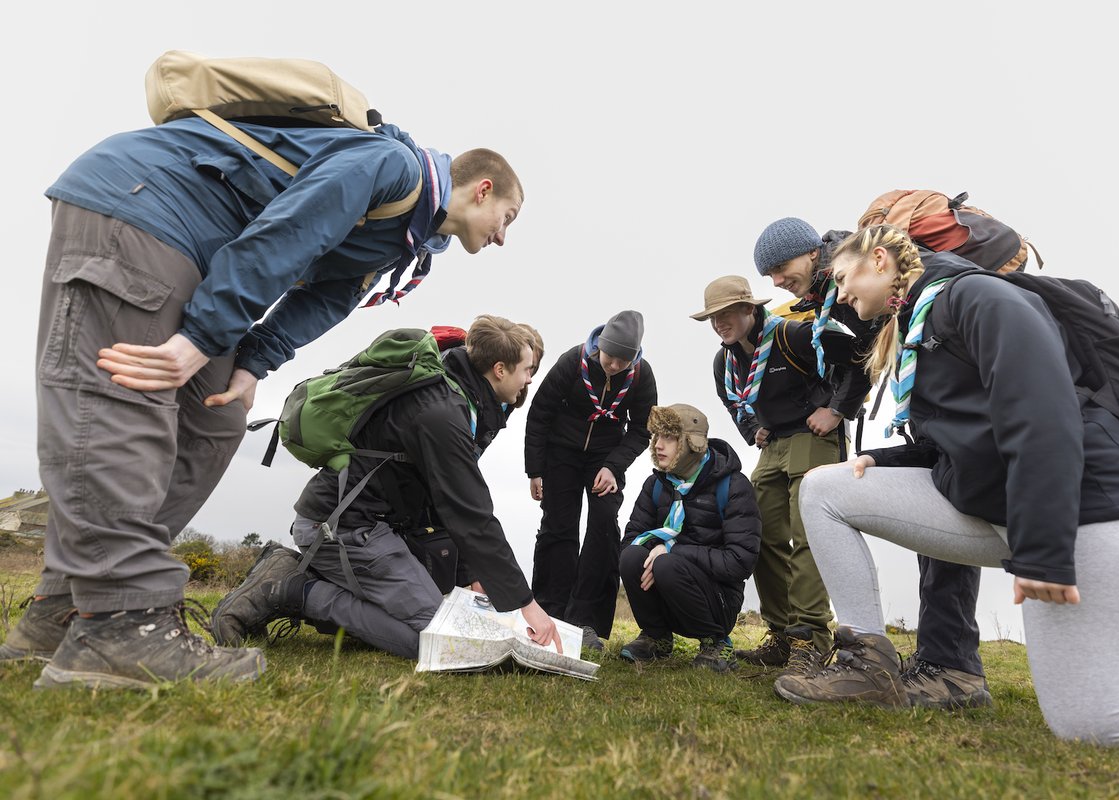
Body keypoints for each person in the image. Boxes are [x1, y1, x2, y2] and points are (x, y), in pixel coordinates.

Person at [0, 109, 523, 689]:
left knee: (215, 422)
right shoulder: (392, 167)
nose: (503, 235)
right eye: (508, 217)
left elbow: (325, 296)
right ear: (483, 189)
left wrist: (252, 361)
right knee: (134, 409)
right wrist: (203, 336)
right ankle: (119, 623)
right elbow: (289, 232)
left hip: (203, 258)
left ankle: (63, 608)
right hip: (144, 209)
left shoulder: (405, 237)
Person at [774, 225, 1119, 749]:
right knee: (825, 488)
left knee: (1100, 730)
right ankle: (868, 666)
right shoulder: (918, 321)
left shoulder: (979, 296)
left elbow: (1044, 417)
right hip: (1012, 520)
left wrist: (1041, 555)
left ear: (879, 260)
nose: (839, 293)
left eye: (841, 278)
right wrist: (884, 459)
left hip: (1101, 515)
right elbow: (971, 439)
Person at [210, 316, 561, 658]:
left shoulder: (460, 397)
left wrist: (472, 574)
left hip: (378, 525)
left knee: (437, 614)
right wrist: (526, 604)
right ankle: (295, 589)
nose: (529, 380)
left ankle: (311, 574)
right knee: (433, 637)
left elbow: (446, 498)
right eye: (527, 370)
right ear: (499, 369)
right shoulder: (442, 413)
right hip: (346, 529)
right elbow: (471, 513)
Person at [755, 216, 990, 708]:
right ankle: (945, 663)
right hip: (936, 418)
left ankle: (948, 668)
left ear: (811, 253)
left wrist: (837, 407)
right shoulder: (834, 289)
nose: (775, 281)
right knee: (939, 516)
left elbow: (864, 352)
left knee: (945, 514)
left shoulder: (853, 278)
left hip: (954, 420)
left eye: (779, 268)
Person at [692, 275, 867, 670]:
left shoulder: (793, 335)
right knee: (756, 534)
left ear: (749, 309)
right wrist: (752, 429)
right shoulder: (725, 359)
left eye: (726, 313)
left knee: (807, 535)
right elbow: (733, 401)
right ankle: (782, 635)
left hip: (814, 436)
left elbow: (859, 360)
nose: (719, 323)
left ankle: (811, 639)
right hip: (773, 447)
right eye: (712, 318)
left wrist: (836, 410)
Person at [524, 310, 658, 651]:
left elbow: (642, 429)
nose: (613, 366)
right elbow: (539, 414)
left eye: (622, 362)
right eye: (609, 358)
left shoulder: (642, 375)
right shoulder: (572, 361)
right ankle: (549, 612)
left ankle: (586, 621)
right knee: (559, 526)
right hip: (561, 453)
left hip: (606, 457)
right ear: (599, 346)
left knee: (603, 525)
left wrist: (614, 467)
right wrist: (535, 470)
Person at [618, 404, 760, 672]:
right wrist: (657, 550)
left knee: (667, 562)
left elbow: (740, 562)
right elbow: (631, 539)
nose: (658, 445)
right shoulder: (656, 485)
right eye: (656, 437)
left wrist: (672, 551)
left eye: (669, 438)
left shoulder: (734, 485)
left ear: (691, 443)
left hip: (717, 601)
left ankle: (716, 643)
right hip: (667, 587)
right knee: (632, 556)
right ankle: (656, 636)